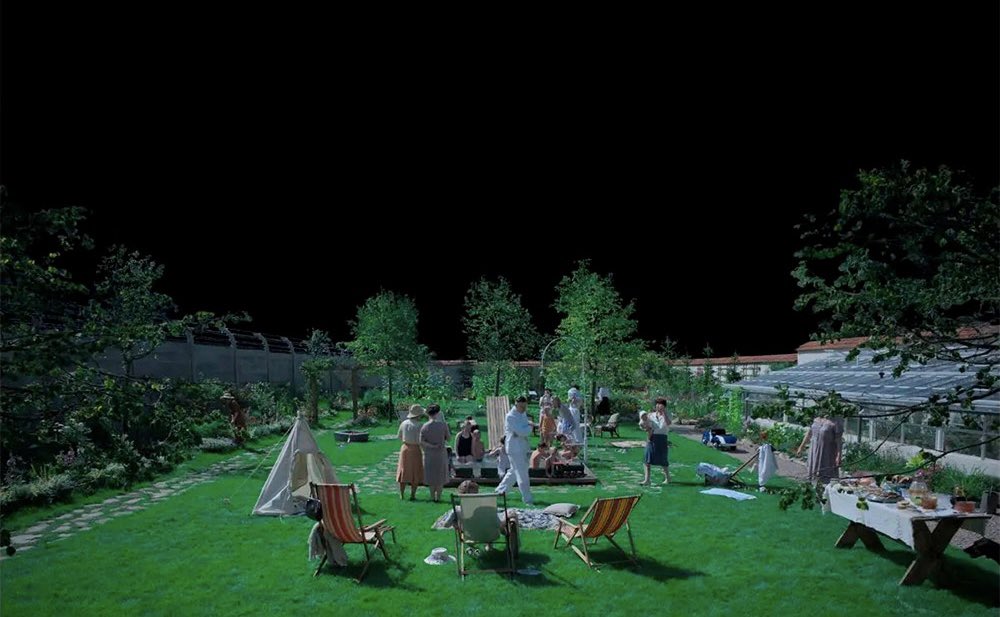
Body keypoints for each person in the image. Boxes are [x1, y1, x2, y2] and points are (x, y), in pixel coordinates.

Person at [495, 396, 533, 505]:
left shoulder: (522, 414)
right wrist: (529, 427)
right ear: (516, 405)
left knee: (514, 471)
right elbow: (521, 431)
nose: (524, 409)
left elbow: (522, 431)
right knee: (522, 473)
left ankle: (500, 491)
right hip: (514, 448)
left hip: (522, 447)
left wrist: (526, 428)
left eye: (525, 407)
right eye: (521, 407)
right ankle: (527, 499)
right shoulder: (510, 416)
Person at [795, 412, 843, 484]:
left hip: (827, 451)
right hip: (814, 450)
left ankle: (825, 486)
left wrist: (838, 456)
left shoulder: (835, 422)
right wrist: (801, 447)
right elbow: (809, 433)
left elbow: (839, 441)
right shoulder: (816, 419)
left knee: (825, 472)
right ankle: (813, 485)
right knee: (813, 472)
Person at [420, 403, 451, 502]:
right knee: (440, 475)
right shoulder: (443, 425)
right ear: (437, 413)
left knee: (431, 475)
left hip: (429, 453)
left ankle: (432, 497)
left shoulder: (424, 426)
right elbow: (449, 438)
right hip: (441, 452)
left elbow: (421, 441)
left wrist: (431, 446)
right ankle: (439, 497)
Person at [396, 404, 425, 500]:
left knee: (404, 470)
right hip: (415, 448)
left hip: (405, 448)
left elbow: (399, 436)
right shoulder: (420, 425)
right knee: (415, 471)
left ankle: (401, 494)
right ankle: (413, 494)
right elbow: (421, 439)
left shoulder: (404, 423)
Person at [640, 398, 671, 485]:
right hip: (652, 437)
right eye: (657, 404)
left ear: (664, 406)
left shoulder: (668, 414)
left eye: (660, 404)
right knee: (647, 458)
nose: (658, 406)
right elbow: (644, 423)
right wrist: (645, 427)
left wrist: (664, 413)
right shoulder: (651, 415)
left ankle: (668, 478)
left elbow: (668, 423)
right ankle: (647, 480)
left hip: (662, 438)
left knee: (663, 459)